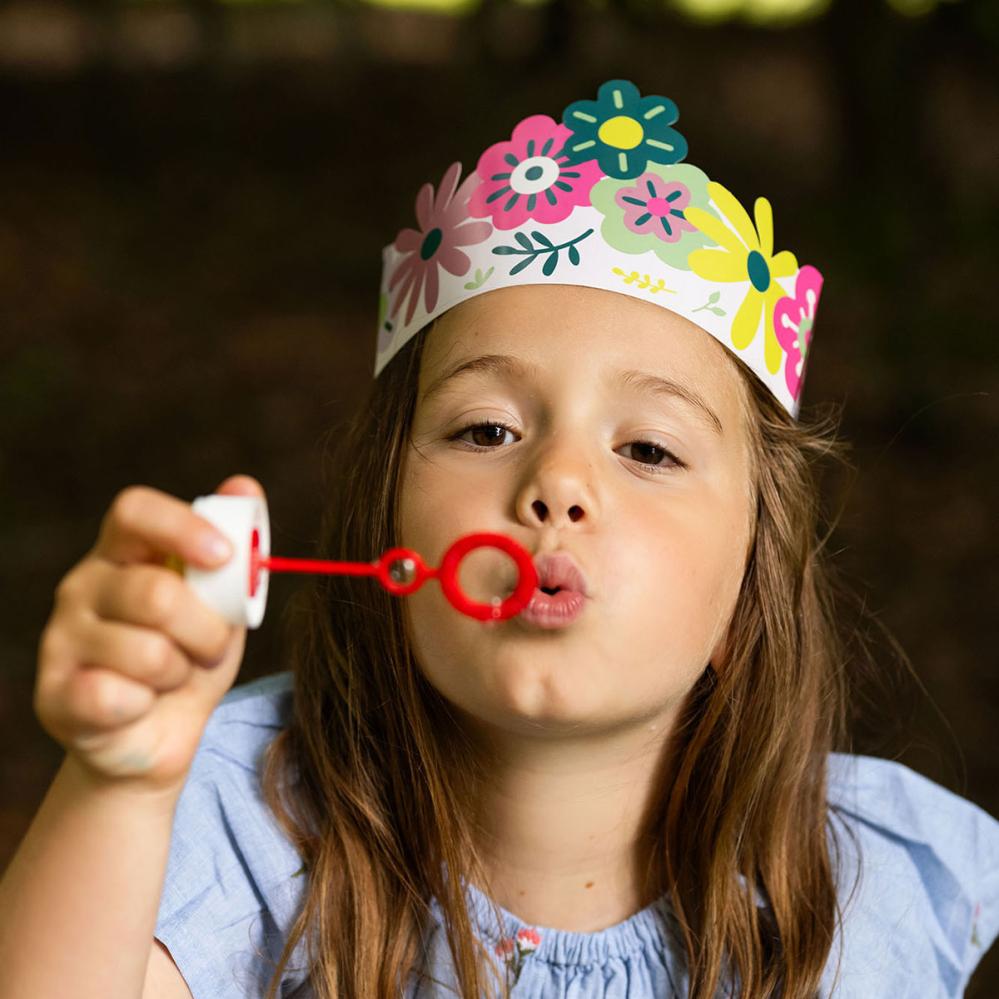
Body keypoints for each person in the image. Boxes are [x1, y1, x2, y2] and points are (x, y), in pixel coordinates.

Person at [1, 78, 997, 999]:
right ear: (385, 521)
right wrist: (118, 786)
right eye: (486, 430)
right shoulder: (243, 814)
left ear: (750, 587)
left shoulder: (866, 888)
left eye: (648, 449)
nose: (557, 482)